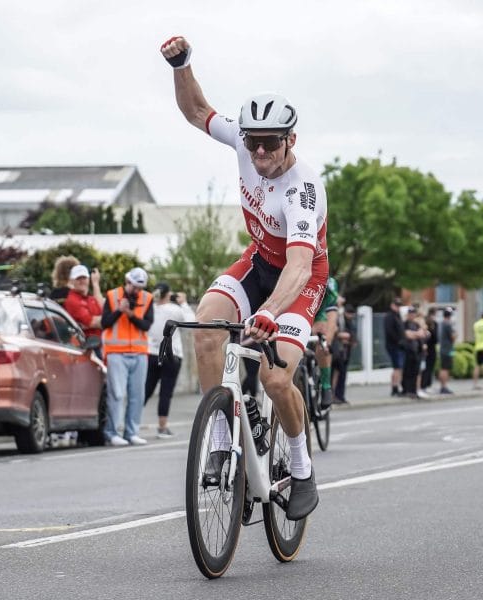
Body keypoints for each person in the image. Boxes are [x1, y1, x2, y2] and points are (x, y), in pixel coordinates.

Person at [161, 35, 328, 521]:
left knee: (276, 379)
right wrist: (182, 65)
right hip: (258, 262)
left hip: (300, 281)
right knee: (208, 325)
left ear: (290, 140)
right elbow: (197, 112)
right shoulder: (245, 139)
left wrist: (269, 313)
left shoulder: (301, 191)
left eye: (270, 144)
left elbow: (298, 267)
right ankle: (220, 440)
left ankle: (300, 468)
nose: (259, 152)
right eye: (253, 141)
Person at [101, 267, 154, 446]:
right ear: (127, 282)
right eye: (134, 287)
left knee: (137, 395)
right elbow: (105, 323)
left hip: (139, 353)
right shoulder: (111, 296)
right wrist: (118, 311)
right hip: (116, 353)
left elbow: (146, 325)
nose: (137, 291)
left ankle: (132, 432)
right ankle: (113, 432)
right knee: (117, 394)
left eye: (140, 288)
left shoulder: (147, 298)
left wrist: (130, 314)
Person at [145, 283, 195, 438]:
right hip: (171, 355)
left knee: (146, 389)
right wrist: (184, 303)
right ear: (168, 295)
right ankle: (162, 427)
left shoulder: (149, 309)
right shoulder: (175, 310)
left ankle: (130, 423)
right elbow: (191, 323)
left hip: (151, 353)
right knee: (166, 392)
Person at [311, 276, 340, 409]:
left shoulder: (329, 282)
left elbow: (331, 316)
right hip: (299, 308)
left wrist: (326, 341)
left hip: (320, 312)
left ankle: (326, 386)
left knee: (322, 340)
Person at [64, 265, 103, 347]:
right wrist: (109, 319)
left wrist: (95, 284)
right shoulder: (72, 300)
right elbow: (94, 323)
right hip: (84, 348)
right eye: (78, 278)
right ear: (72, 281)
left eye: (84, 278)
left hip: (97, 345)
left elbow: (103, 311)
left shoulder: (90, 299)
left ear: (89, 279)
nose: (82, 281)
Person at [331, 302, 356, 404]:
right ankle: (333, 396)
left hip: (343, 351)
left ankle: (339, 396)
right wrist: (340, 335)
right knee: (332, 374)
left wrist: (350, 339)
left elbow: (352, 334)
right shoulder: (335, 319)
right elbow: (333, 332)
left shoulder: (346, 321)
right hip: (335, 350)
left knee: (342, 373)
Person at [401, 305, 427, 399]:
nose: (411, 315)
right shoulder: (404, 324)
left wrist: (415, 334)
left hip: (417, 351)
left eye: (413, 314)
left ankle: (413, 390)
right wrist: (416, 334)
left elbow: (422, 334)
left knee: (415, 372)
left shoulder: (416, 324)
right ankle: (406, 390)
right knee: (407, 371)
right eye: (410, 314)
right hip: (408, 350)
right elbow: (407, 335)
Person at [383, 297, 405, 397]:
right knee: (397, 367)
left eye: (399, 305)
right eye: (396, 305)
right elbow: (390, 331)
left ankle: (396, 386)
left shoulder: (398, 316)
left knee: (399, 368)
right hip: (393, 345)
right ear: (392, 305)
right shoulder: (390, 316)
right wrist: (398, 340)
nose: (398, 307)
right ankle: (394, 387)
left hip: (399, 345)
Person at [437, 308, 456, 394]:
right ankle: (444, 387)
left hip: (442, 349)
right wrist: (455, 334)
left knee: (443, 368)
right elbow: (453, 337)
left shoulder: (441, 324)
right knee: (446, 368)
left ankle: (442, 386)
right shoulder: (448, 324)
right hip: (447, 349)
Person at [420, 307, 439, 393]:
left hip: (431, 348)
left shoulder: (434, 323)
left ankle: (428, 385)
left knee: (430, 367)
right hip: (428, 348)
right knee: (427, 368)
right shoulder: (428, 323)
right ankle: (424, 385)